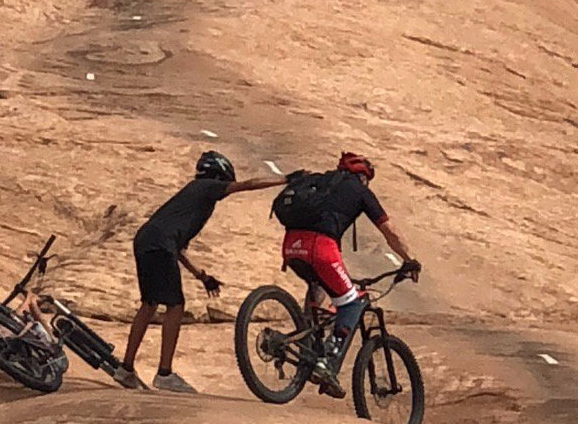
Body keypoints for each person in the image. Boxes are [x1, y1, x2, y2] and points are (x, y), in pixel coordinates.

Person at [115, 151, 286, 393]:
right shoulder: (206, 187)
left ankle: (126, 368)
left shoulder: (192, 195)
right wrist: (285, 179)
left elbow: (177, 249)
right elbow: (247, 185)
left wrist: (201, 276)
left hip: (145, 240)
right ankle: (164, 373)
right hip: (159, 243)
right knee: (175, 305)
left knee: (149, 304)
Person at [279, 151, 421, 398]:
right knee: (352, 302)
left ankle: (307, 343)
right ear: (364, 176)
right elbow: (390, 232)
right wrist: (410, 260)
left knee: (319, 285)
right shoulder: (360, 191)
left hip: (292, 246)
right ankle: (328, 362)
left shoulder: (323, 181)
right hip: (320, 248)